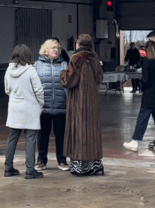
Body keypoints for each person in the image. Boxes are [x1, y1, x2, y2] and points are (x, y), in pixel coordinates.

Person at [61, 34, 104, 176]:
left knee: (79, 130)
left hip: (79, 100)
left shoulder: (76, 58)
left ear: (78, 44)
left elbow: (70, 81)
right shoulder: (94, 57)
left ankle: (81, 167)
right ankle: (95, 165)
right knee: (92, 131)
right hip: (92, 99)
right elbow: (99, 78)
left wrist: (63, 74)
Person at [4, 45, 45, 179]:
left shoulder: (9, 69)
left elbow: (7, 90)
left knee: (12, 138)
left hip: (14, 107)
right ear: (28, 55)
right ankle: (30, 170)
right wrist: (40, 104)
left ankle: (8, 168)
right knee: (30, 138)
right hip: (30, 107)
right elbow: (39, 90)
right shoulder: (30, 70)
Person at [122, 40, 155, 153]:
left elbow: (145, 80)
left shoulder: (147, 62)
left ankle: (135, 142)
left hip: (150, 95)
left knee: (142, 118)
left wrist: (142, 88)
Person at [34, 38, 69, 172]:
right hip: (44, 107)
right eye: (53, 47)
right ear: (46, 49)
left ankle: (62, 160)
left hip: (61, 106)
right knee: (43, 134)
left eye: (58, 48)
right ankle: (42, 160)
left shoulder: (64, 65)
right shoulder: (37, 65)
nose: (56, 50)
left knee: (61, 135)